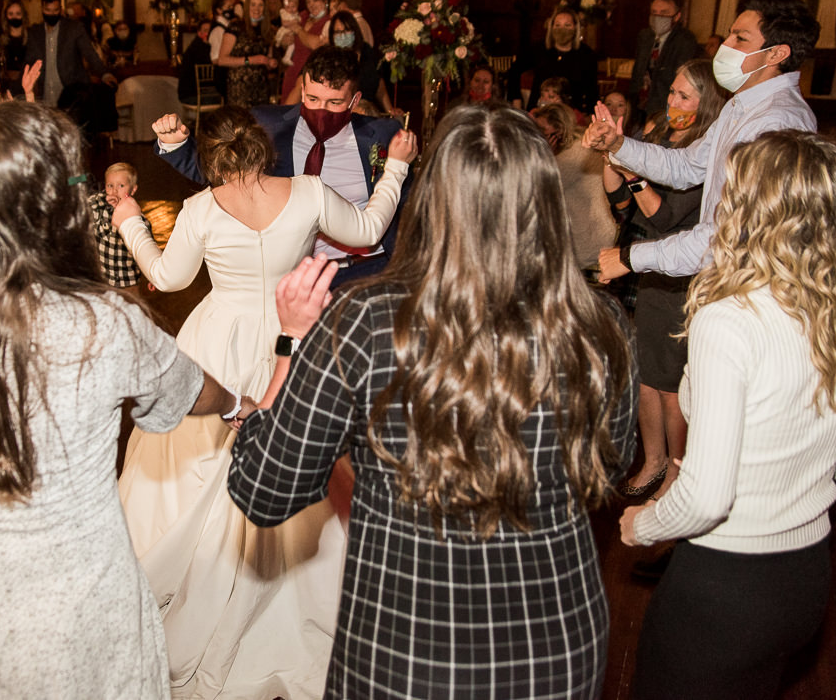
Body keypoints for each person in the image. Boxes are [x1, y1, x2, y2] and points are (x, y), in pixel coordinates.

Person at [229, 105, 638, 699]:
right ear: (545, 201)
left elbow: (265, 489)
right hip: (554, 645)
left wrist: (291, 341)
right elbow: (612, 464)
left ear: (431, 198)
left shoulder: (365, 323)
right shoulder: (601, 324)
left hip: (406, 652)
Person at [0, 100, 245, 696]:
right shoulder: (100, 321)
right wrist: (238, 405)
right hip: (82, 618)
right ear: (52, 208)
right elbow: (190, 391)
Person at [113, 106, 416, 699]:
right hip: (292, 336)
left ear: (215, 159)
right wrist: (397, 169)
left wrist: (130, 222)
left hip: (216, 342)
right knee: (291, 453)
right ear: (261, 148)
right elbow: (369, 231)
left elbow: (169, 280)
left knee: (196, 456)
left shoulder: (200, 209)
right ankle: (283, 581)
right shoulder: (307, 192)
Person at [619, 130, 836, 700]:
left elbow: (707, 499)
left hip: (725, 587)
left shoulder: (729, 318)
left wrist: (643, 525)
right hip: (806, 578)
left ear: (754, 211)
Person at [588, 0, 819, 282]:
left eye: (740, 39)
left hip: (751, 280)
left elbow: (732, 233)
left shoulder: (776, 122)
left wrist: (632, 257)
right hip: (726, 273)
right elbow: (684, 166)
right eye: (729, 35)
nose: (726, 45)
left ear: (776, 54)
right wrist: (618, 144)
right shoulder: (742, 105)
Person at [156, 46, 409, 285]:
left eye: (334, 103)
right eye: (312, 98)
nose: (321, 110)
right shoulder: (269, 126)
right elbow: (221, 173)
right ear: (302, 92)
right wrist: (175, 145)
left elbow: (408, 202)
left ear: (354, 101)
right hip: (292, 274)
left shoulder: (383, 135)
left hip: (366, 269)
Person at [599, 59, 727, 501]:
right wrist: (610, 153)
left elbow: (666, 214)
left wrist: (633, 171)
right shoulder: (657, 136)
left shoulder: (704, 150)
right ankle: (653, 460)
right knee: (646, 376)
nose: (672, 102)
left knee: (671, 383)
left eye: (684, 96)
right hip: (645, 267)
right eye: (671, 92)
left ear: (705, 102)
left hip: (681, 271)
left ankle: (677, 475)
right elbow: (622, 202)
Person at [535, 102, 613, 269]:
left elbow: (537, 189)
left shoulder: (575, 153)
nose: (536, 137)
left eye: (542, 132)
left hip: (587, 238)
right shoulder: (574, 146)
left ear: (559, 131)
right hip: (586, 233)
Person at [25, 0, 116, 110]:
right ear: (42, 9)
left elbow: (90, 54)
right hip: (45, 97)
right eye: (48, 10)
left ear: (60, 9)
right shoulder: (35, 33)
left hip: (72, 96)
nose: (52, 14)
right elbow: (28, 61)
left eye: (55, 10)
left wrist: (105, 74)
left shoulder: (73, 29)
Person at [627, 0, 700, 125]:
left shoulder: (685, 41)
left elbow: (679, 77)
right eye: (654, 12)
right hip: (640, 106)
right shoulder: (645, 36)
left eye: (664, 13)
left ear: (677, 16)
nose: (658, 17)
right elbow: (637, 70)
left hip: (665, 106)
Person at [511, 8, 598, 111]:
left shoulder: (586, 54)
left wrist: (588, 115)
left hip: (570, 115)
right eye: (557, 25)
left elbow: (592, 90)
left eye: (567, 25)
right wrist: (516, 99)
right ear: (551, 27)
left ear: (575, 28)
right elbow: (514, 70)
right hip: (538, 111)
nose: (562, 29)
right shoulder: (539, 49)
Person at [88, 161, 150, 294]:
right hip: (102, 278)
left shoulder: (138, 221)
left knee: (130, 309)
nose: (114, 190)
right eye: (110, 185)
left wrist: (151, 276)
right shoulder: (96, 205)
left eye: (121, 186)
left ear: (133, 189)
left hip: (127, 280)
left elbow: (146, 249)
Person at [216, 0, 278, 108]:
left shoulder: (266, 31)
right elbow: (222, 60)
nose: (257, 9)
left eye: (260, 5)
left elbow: (267, 60)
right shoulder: (236, 27)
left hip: (261, 89)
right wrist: (250, 60)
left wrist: (270, 62)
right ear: (247, 7)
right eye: (253, 5)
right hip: (240, 89)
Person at [329, 10, 397, 115]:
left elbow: (380, 87)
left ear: (354, 31)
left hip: (368, 111)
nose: (342, 36)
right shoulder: (328, 58)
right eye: (338, 32)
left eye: (346, 30)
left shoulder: (367, 52)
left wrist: (390, 111)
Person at [281, 0, 331, 102]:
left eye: (315, 0)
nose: (311, 4)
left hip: (310, 74)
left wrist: (298, 30)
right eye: (308, 2)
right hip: (293, 69)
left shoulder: (329, 21)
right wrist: (285, 41)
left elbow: (315, 44)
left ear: (325, 1)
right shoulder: (303, 17)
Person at [0, 0, 31, 87]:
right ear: (5, 15)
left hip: (27, 81)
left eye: (18, 14)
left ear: (23, 15)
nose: (14, 17)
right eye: (11, 14)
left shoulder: (31, 35)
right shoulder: (0, 37)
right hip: (6, 83)